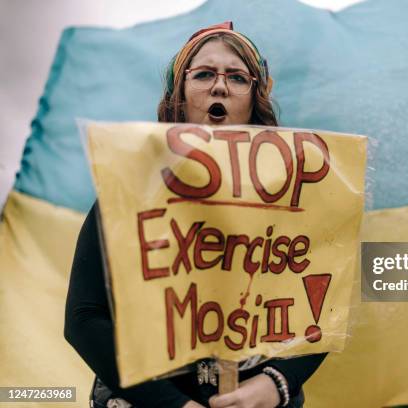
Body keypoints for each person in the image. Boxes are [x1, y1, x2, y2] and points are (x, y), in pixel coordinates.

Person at [65, 21, 326, 408]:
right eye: (203, 74)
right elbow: (84, 319)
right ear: (179, 96)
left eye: (237, 77)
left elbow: (324, 306)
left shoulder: (294, 198)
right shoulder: (132, 190)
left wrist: (275, 385)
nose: (219, 86)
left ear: (255, 99)